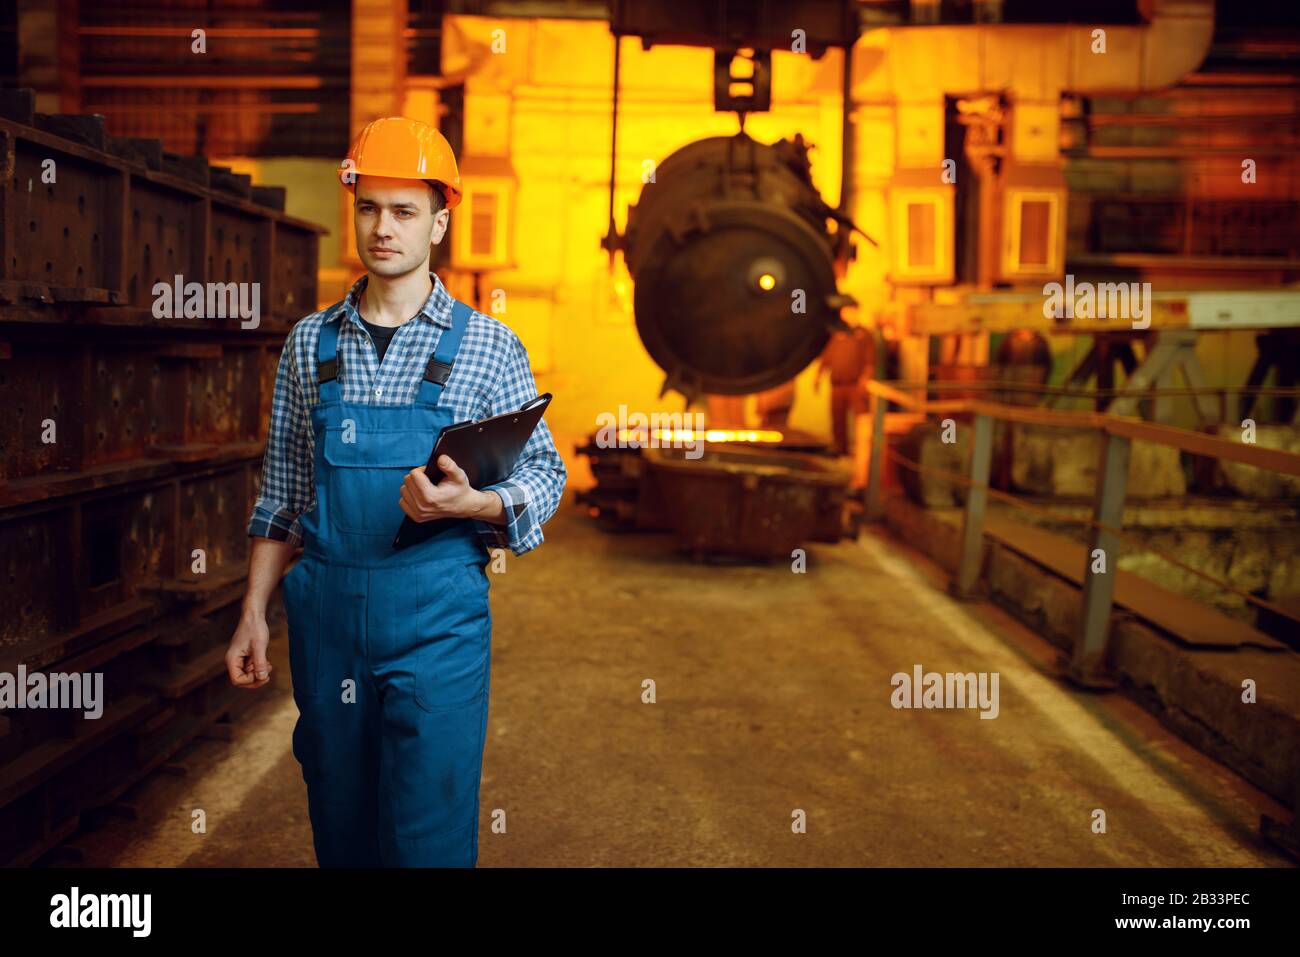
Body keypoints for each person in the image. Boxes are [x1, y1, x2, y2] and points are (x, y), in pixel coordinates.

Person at [224, 116, 567, 867]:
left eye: (405, 211)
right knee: (342, 826)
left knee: (427, 835)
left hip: (437, 621)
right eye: (370, 207)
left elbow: (546, 474)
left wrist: (474, 505)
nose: (384, 227)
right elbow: (282, 492)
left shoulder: (488, 345)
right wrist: (252, 612)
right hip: (327, 622)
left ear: (440, 221)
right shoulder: (309, 344)